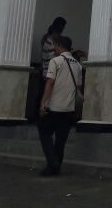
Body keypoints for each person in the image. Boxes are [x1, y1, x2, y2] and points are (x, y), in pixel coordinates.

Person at [38, 34, 82, 176]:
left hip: (54, 107)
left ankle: (52, 162)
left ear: (59, 46)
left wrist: (43, 103)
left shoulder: (55, 61)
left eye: (55, 47)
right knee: (61, 139)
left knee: (45, 134)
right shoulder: (78, 65)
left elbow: (50, 82)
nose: (54, 50)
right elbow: (78, 86)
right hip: (69, 108)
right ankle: (56, 166)